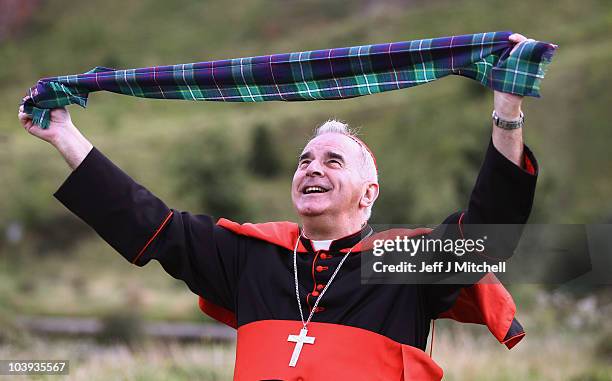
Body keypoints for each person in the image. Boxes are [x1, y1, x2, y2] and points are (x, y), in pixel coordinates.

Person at [19, 33, 539, 381]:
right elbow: (150, 222)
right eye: (304, 159)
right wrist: (64, 134)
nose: (312, 168)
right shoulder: (251, 257)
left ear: (369, 192)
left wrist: (507, 108)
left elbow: (491, 232)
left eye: (333, 161)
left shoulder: (400, 262)